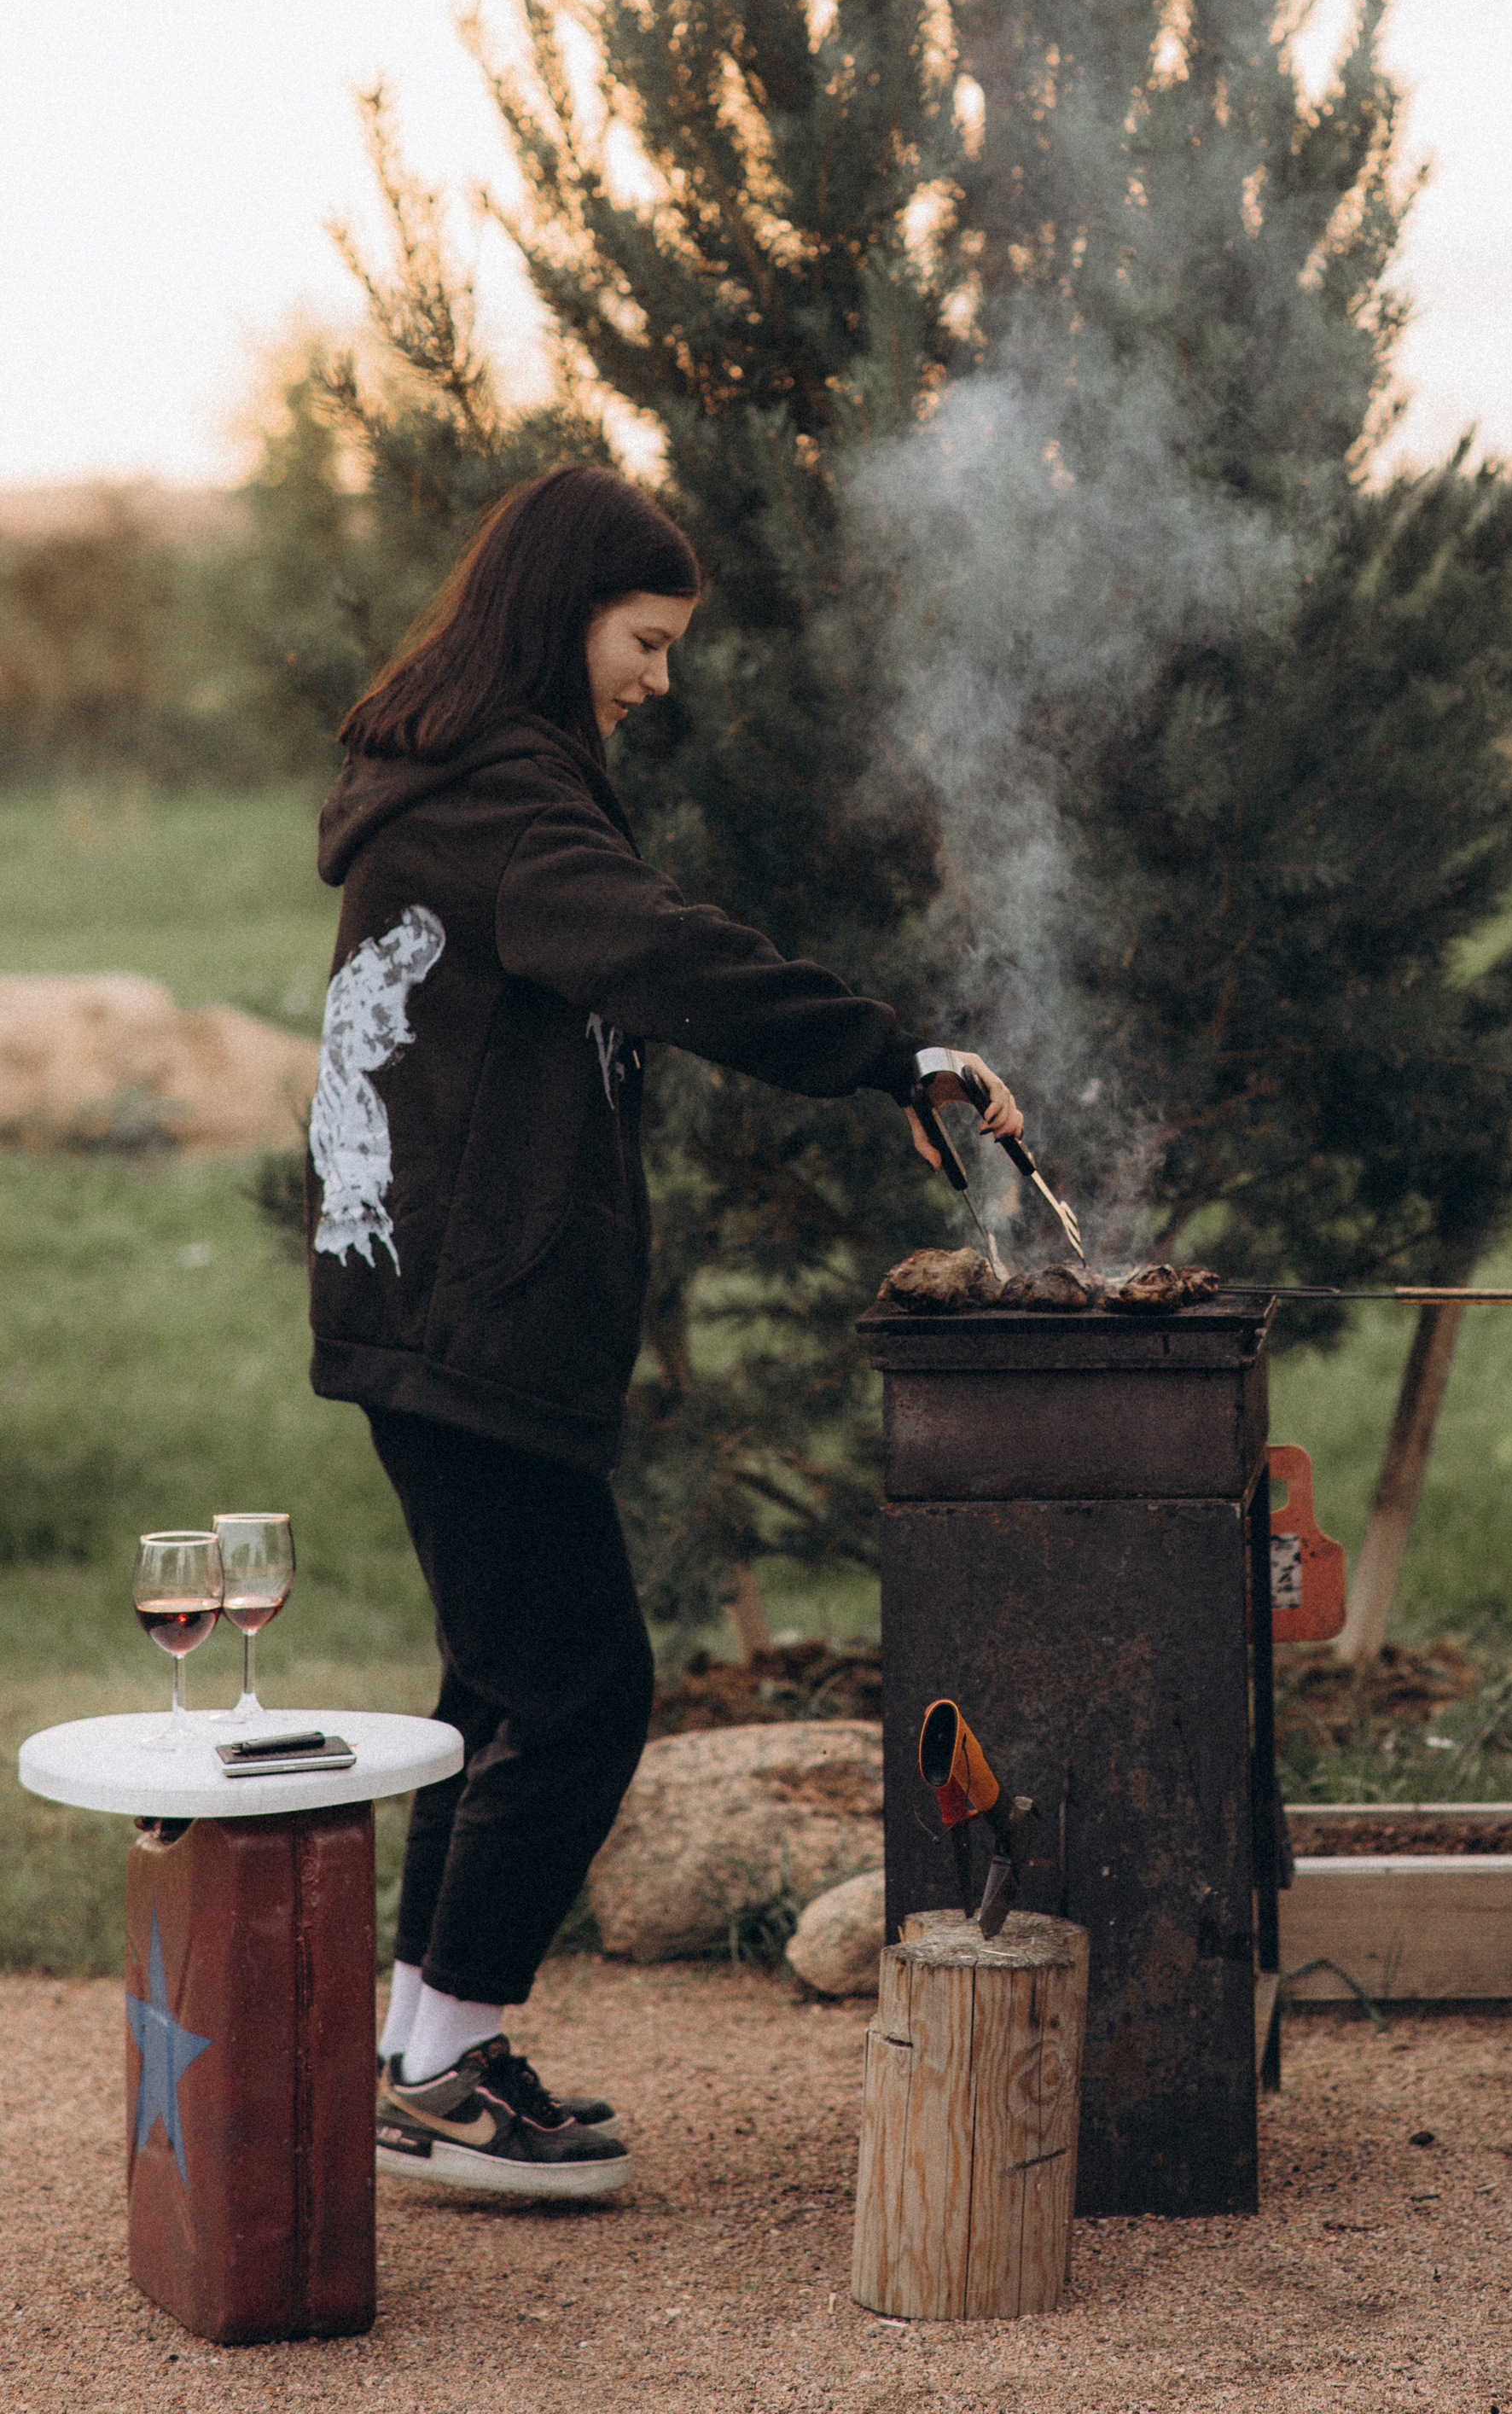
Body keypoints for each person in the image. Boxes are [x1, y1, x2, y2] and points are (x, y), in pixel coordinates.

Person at [305, 463, 1020, 2198]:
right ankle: (451, 2061)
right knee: (584, 1692)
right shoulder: (506, 801)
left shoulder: (465, 783)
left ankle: (420, 2050)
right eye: (645, 640)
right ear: (561, 621)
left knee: (494, 1693)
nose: (660, 678)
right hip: (465, 1315)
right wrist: (892, 1056)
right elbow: (661, 952)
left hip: (429, 1302)